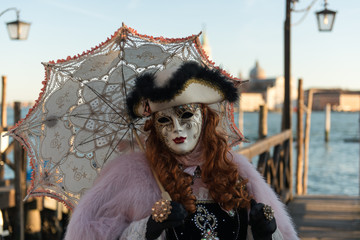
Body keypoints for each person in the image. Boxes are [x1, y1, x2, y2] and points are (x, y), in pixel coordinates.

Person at [64, 61, 299, 240]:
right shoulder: (131, 175)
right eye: (164, 120)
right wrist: (148, 228)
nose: (177, 128)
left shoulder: (235, 170)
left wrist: (266, 232)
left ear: (205, 118)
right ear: (153, 126)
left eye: (186, 115)